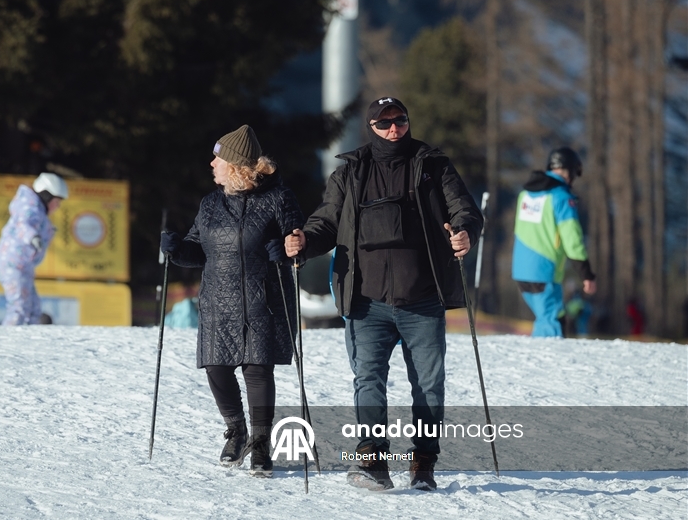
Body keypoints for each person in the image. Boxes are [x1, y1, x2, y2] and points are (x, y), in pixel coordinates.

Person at [284, 97, 481, 491]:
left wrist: (464, 233)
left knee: (428, 384)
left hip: (423, 300)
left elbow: (465, 209)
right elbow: (326, 222)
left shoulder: (432, 165)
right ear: (371, 127)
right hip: (365, 301)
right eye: (385, 122)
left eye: (401, 120)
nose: (394, 128)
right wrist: (303, 242)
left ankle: (423, 464)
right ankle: (373, 460)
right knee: (368, 379)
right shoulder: (351, 173)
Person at [162, 125, 303, 476]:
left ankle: (260, 443)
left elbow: (299, 244)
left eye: (218, 158)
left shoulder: (278, 198)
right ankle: (236, 430)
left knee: (257, 369)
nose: (211, 163)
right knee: (217, 369)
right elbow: (199, 251)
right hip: (219, 301)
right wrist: (178, 249)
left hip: (263, 299)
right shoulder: (210, 205)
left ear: (236, 166)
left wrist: (284, 253)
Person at [511, 147, 596, 337]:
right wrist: (587, 274)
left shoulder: (525, 194)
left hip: (520, 271)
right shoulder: (562, 198)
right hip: (544, 271)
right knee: (553, 323)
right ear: (570, 172)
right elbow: (572, 240)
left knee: (547, 318)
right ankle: (545, 365)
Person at [0, 173, 68, 325]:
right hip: (12, 265)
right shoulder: (29, 207)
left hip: (23, 266)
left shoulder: (37, 210)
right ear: (47, 196)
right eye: (57, 201)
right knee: (19, 307)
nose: (58, 206)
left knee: (34, 309)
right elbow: (23, 224)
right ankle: (8, 342)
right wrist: (33, 237)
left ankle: (28, 343)